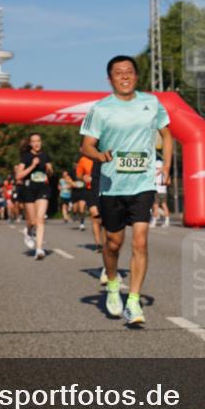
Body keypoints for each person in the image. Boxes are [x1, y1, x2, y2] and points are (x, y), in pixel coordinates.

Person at [80, 55, 172, 325]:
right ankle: (111, 283)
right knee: (113, 243)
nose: (125, 76)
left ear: (136, 76)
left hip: (142, 183)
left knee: (141, 240)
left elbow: (167, 134)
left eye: (129, 72)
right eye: (119, 73)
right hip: (112, 186)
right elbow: (86, 145)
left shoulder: (151, 103)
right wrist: (97, 156)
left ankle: (133, 299)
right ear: (110, 79)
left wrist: (166, 165)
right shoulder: (101, 109)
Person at [14, 133, 54, 259]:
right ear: (30, 143)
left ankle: (39, 249)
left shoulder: (46, 155)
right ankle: (28, 231)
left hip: (42, 188)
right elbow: (18, 176)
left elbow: (51, 173)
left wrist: (48, 170)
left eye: (38, 141)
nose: (37, 143)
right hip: (29, 189)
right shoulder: (26, 157)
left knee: (40, 219)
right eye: (34, 141)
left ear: (41, 142)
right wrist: (32, 165)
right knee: (32, 221)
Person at [76, 154, 106, 284]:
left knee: (103, 220)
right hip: (91, 189)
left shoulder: (105, 155)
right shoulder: (84, 159)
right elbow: (78, 175)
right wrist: (84, 177)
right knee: (95, 216)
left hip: (104, 188)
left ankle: (104, 245)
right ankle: (98, 244)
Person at [152, 157, 170, 227]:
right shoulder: (165, 171)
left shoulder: (156, 171)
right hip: (163, 190)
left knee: (155, 206)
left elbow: (154, 176)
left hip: (157, 189)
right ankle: (167, 221)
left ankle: (154, 221)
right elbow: (168, 181)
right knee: (164, 205)